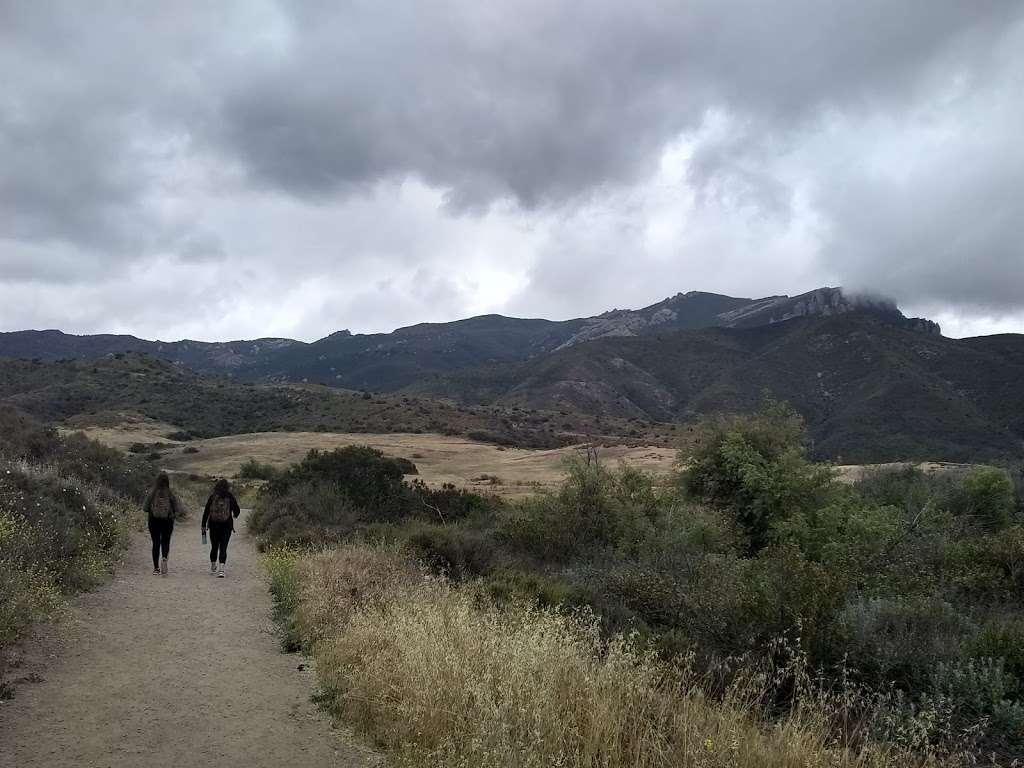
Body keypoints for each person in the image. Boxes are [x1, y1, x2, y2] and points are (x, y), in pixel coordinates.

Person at [202, 478, 241, 578]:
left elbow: (206, 512)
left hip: (213, 525)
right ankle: (221, 570)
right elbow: (237, 510)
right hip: (226, 526)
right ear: (227, 487)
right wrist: (234, 515)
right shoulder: (230, 496)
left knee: (214, 546)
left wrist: (203, 525)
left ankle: (213, 565)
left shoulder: (212, 497)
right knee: (223, 547)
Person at [144, 473, 181, 576]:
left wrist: (153, 510)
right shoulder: (170, 493)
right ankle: (164, 558)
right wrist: (172, 515)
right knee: (166, 541)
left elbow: (145, 508)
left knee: (155, 543)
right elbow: (177, 509)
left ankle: (156, 568)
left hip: (153, 521)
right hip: (167, 521)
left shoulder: (152, 493)